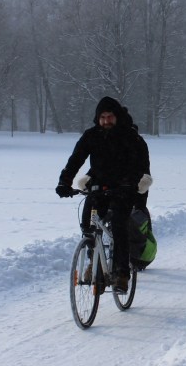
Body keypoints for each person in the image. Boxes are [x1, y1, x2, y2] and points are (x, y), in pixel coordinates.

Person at [55, 96, 149, 293]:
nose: (106, 121)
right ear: (97, 118)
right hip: (99, 187)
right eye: (102, 117)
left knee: (118, 224)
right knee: (88, 224)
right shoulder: (91, 136)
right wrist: (65, 182)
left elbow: (140, 166)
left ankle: (122, 273)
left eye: (110, 117)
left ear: (117, 116)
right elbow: (75, 160)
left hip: (124, 189)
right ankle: (93, 261)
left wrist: (130, 185)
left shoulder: (130, 137)